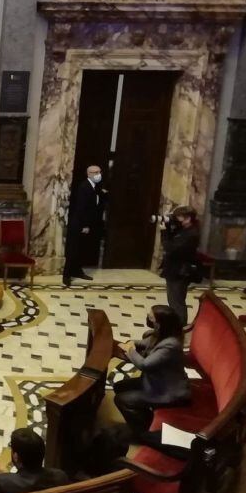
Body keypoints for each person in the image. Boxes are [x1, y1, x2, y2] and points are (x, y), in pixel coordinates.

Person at [111, 305, 190, 441]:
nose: (148, 319)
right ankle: (144, 415)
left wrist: (130, 350)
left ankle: (143, 432)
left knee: (122, 400)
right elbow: (143, 343)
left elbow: (144, 365)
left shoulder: (170, 345)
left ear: (160, 324)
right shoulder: (160, 334)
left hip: (167, 392)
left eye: (151, 318)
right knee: (119, 387)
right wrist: (131, 343)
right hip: (155, 382)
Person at [63, 165, 107, 286]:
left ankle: (77, 271)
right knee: (73, 250)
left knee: (80, 250)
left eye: (99, 171)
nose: (99, 174)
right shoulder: (84, 187)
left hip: (87, 223)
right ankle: (66, 276)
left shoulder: (95, 187)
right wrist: (85, 225)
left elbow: (96, 202)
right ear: (89, 174)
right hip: (79, 224)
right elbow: (81, 208)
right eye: (96, 172)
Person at [159, 205, 200, 325]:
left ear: (187, 218)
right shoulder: (184, 229)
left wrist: (163, 233)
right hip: (174, 269)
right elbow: (173, 240)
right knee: (173, 300)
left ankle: (180, 326)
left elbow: (170, 248)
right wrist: (168, 226)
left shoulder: (191, 234)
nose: (177, 220)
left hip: (179, 271)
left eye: (179, 217)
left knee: (177, 301)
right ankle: (176, 324)